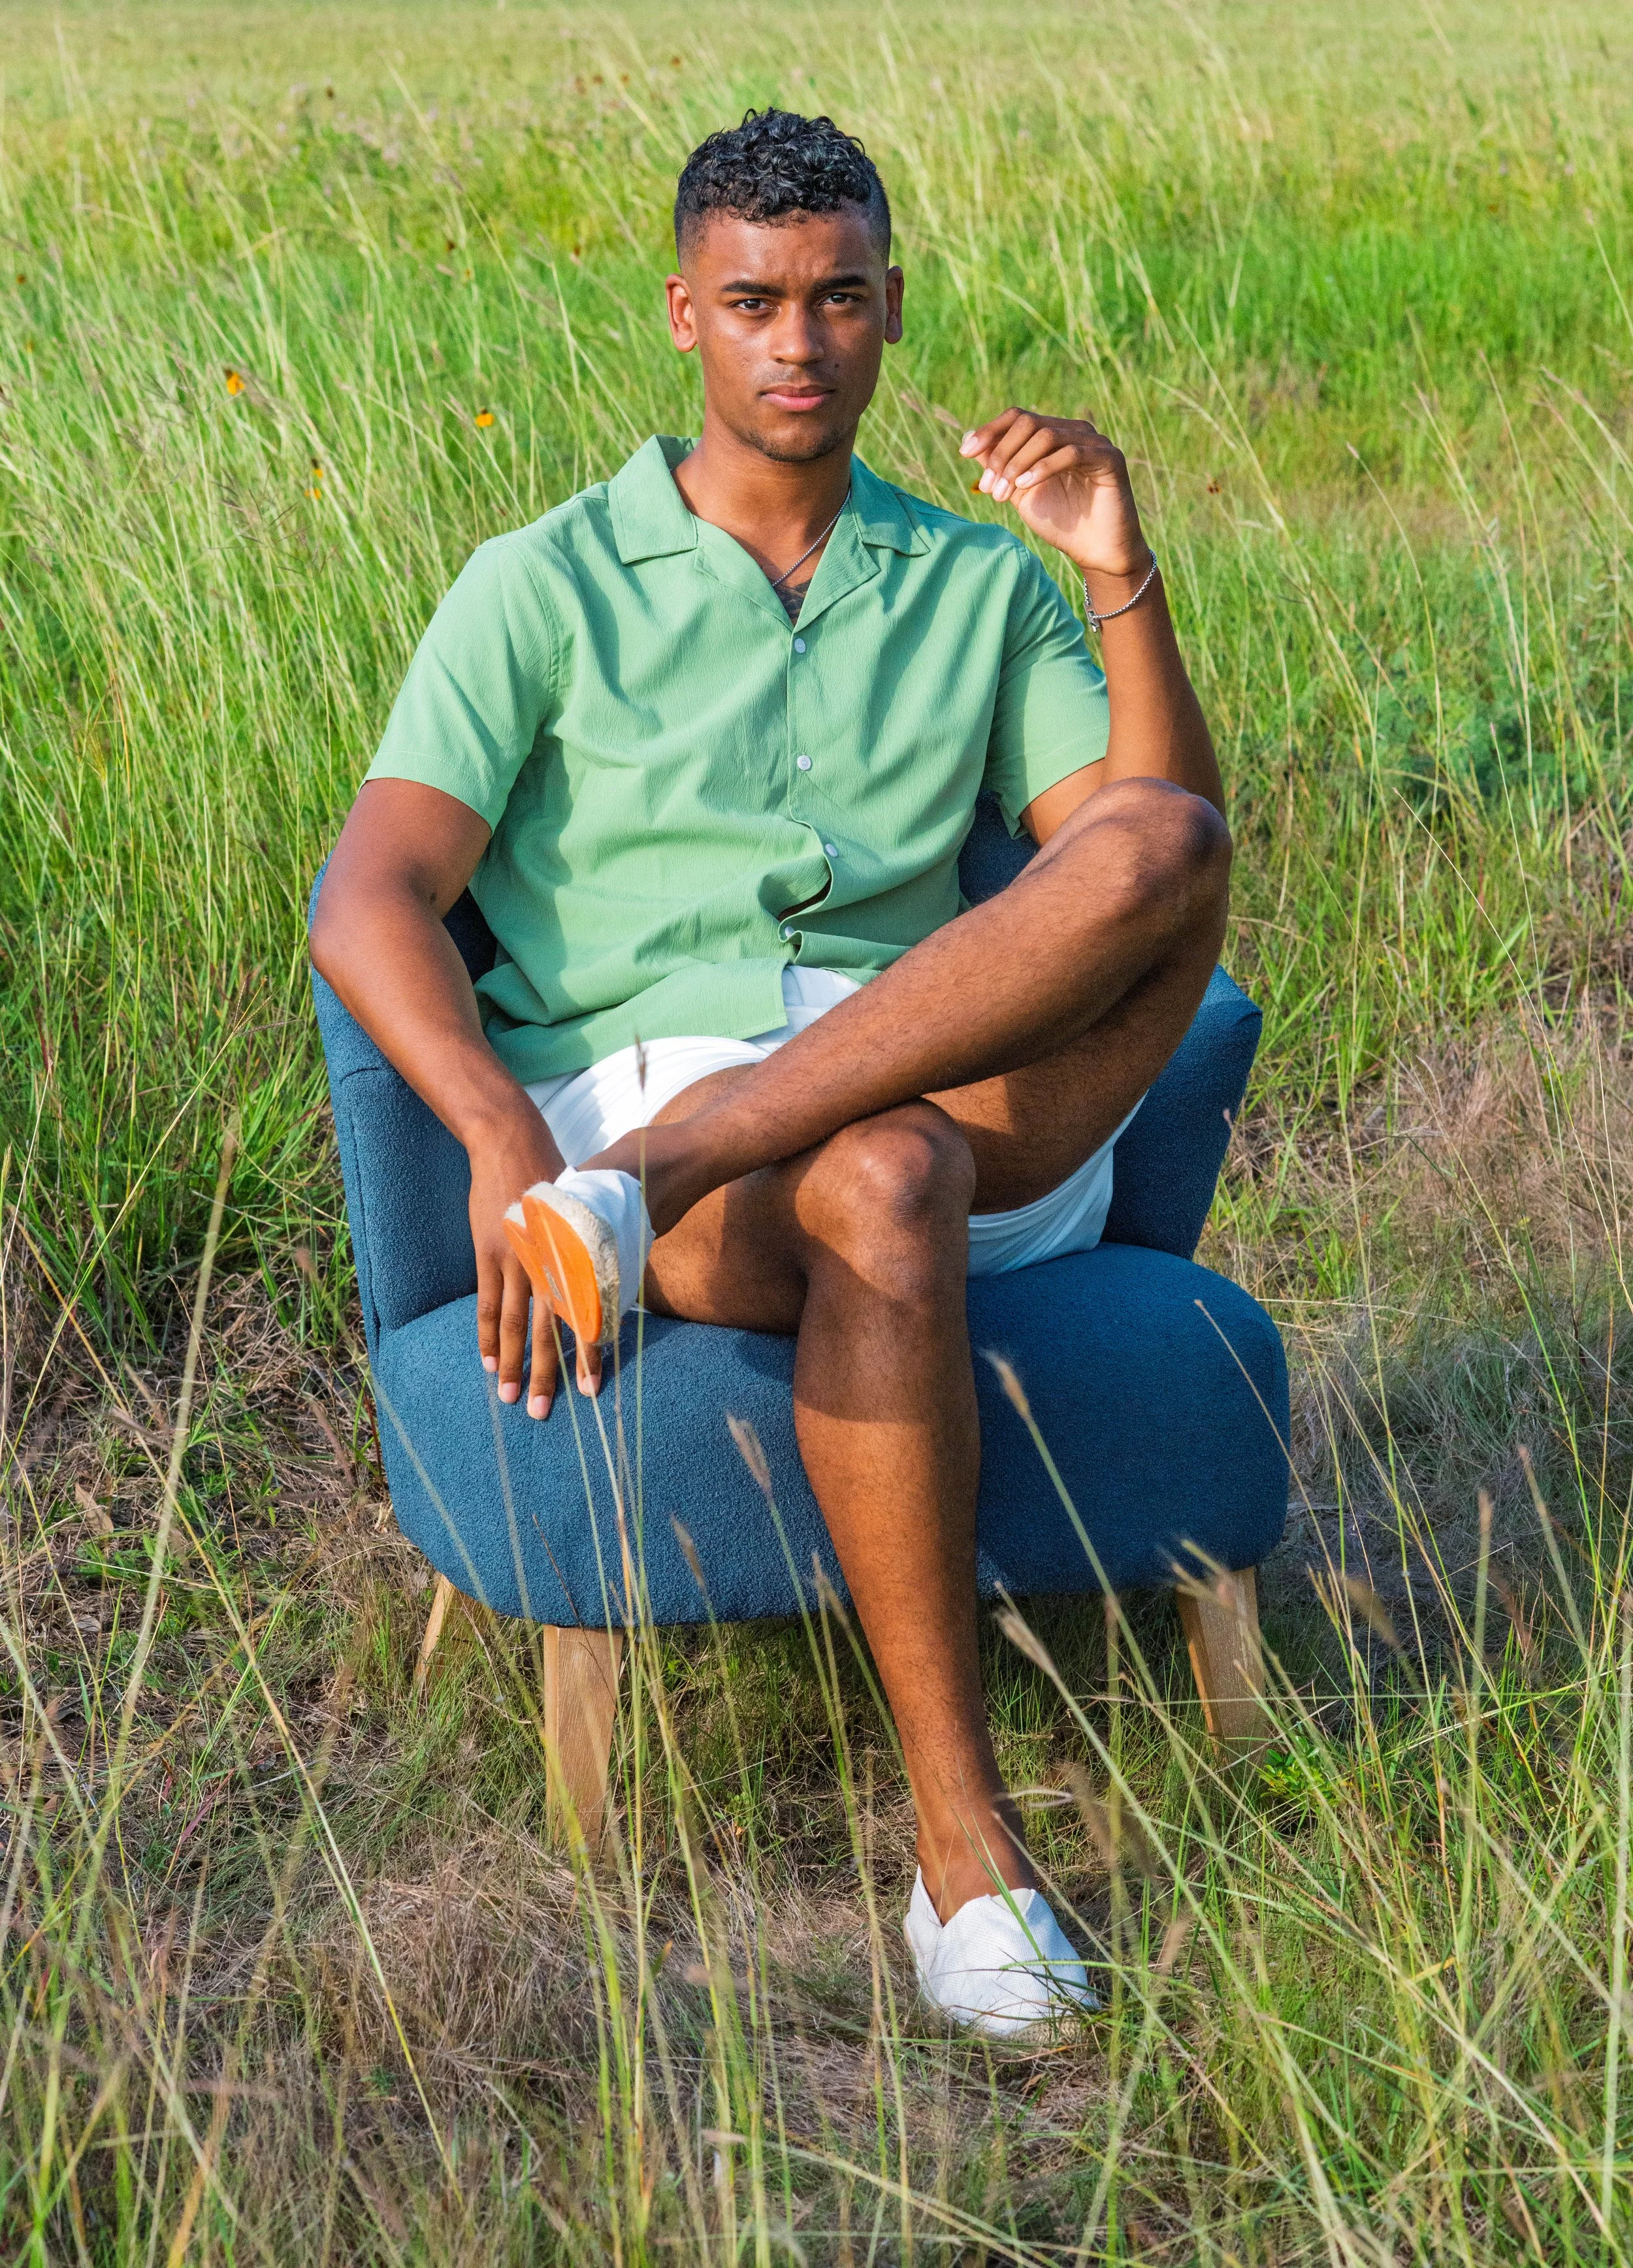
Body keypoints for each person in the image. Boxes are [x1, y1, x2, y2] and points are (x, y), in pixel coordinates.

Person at [312, 107, 1229, 2037]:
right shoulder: (541, 581)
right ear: (683, 315)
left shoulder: (978, 590)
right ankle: (961, 1860)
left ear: (890, 311)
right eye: (750, 303)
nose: (793, 342)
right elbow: (371, 892)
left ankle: (681, 1152)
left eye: (833, 300)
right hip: (685, 1116)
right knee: (873, 1176)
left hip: (929, 1113)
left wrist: (1114, 568)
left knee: (1167, 850)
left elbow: (1132, 869)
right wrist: (490, 1126)